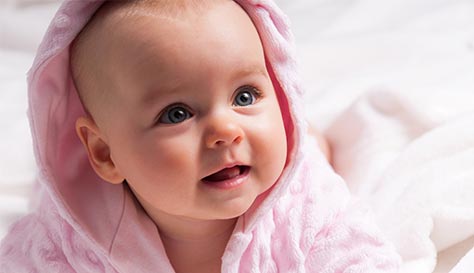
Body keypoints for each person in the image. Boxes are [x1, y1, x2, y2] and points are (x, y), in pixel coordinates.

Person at [0, 1, 401, 272]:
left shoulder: (308, 211)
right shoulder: (68, 242)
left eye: (245, 96)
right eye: (177, 114)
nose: (225, 131)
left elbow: (362, 259)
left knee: (311, 155)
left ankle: (313, 139)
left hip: (297, 173)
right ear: (106, 154)